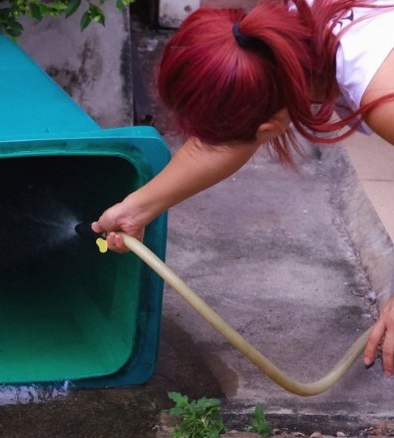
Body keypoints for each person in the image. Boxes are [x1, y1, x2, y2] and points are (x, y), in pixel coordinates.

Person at [92, 0, 394, 376]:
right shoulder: (273, 38)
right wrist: (138, 207)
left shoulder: (381, 95)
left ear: (268, 129)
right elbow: (228, 139)